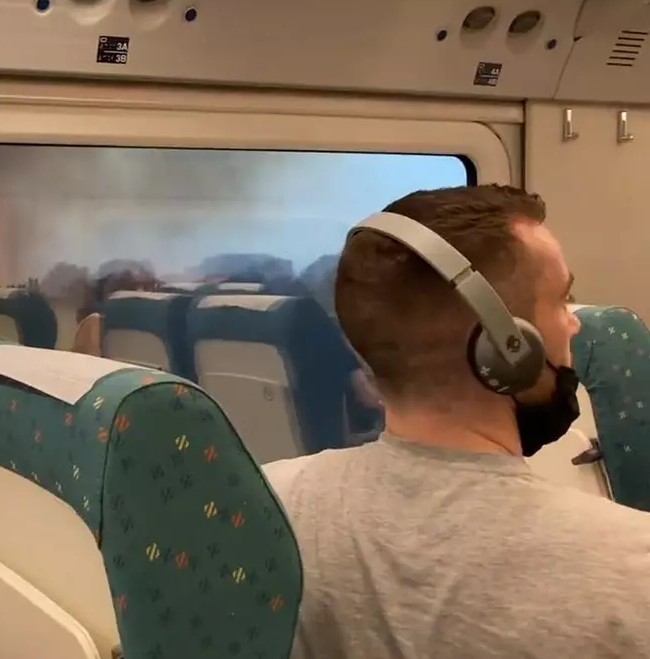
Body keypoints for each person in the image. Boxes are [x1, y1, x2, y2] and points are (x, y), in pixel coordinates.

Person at [263, 185, 650, 659]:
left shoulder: (271, 503)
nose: (574, 323)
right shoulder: (631, 565)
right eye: (560, 300)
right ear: (508, 348)